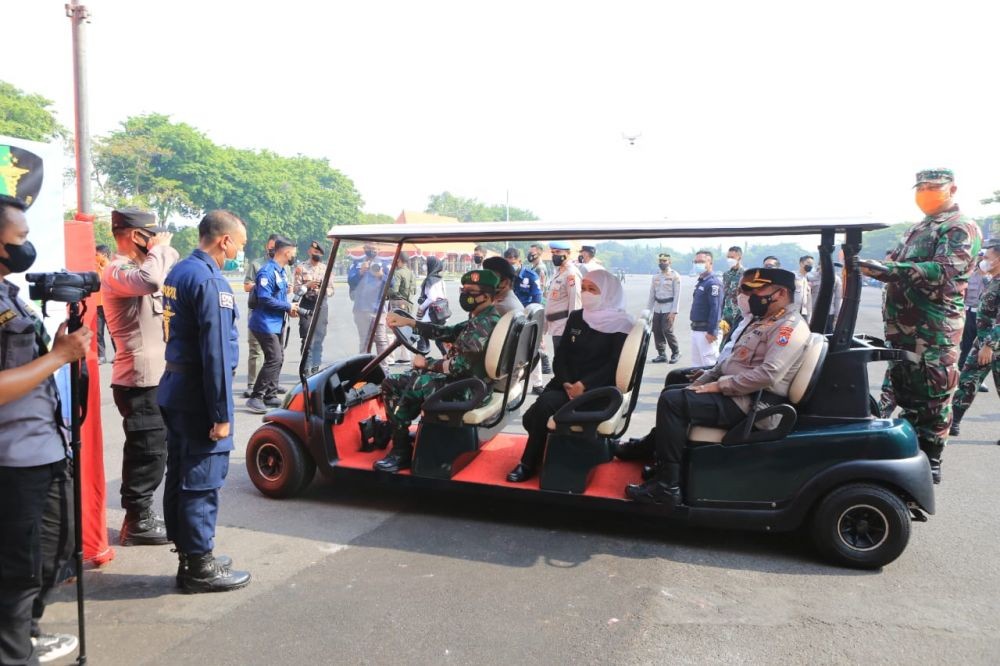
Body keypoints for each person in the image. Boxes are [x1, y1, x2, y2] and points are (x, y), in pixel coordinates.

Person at [626, 268, 811, 505]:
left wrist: (720, 386)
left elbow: (768, 374)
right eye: (747, 290)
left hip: (755, 403)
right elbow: (729, 361)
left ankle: (667, 486)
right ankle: (660, 456)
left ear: (781, 293)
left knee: (672, 403)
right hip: (741, 392)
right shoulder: (765, 319)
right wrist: (704, 380)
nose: (749, 296)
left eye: (756, 291)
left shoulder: (788, 327)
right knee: (676, 383)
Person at [0, 194, 91, 664]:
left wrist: (55, 350)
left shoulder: (9, 294)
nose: (27, 247)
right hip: (12, 461)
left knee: (57, 550)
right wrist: (57, 358)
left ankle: (26, 636)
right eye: (20, 239)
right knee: (16, 572)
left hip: (46, 449)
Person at [861, 168, 982, 484]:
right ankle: (906, 453)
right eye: (921, 188)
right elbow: (896, 269)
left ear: (952, 189)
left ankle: (931, 458)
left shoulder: (960, 228)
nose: (925, 193)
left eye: (933, 187)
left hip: (934, 328)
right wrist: (876, 269)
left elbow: (943, 270)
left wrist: (892, 268)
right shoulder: (917, 229)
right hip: (903, 328)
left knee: (934, 394)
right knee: (904, 388)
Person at [159, 210, 251, 593]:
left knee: (181, 472)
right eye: (239, 246)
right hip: (200, 394)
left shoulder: (179, 271)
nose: (237, 254)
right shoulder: (212, 281)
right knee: (201, 480)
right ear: (224, 240)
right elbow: (215, 351)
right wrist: (221, 413)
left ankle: (190, 554)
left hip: (176, 386)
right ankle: (199, 567)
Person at [102, 207, 180, 546]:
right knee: (146, 451)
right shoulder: (117, 270)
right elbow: (151, 281)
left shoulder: (144, 265)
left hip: (155, 377)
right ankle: (136, 519)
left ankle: (142, 512)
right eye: (153, 235)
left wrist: (162, 251)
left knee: (156, 449)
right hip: (137, 378)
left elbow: (164, 274)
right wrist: (161, 249)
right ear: (137, 236)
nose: (158, 241)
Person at [507, 270, 632, 482]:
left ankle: (528, 463)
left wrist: (584, 385)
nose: (586, 293)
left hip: (598, 390)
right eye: (584, 288)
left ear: (609, 293)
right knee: (531, 418)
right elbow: (561, 354)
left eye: (593, 289)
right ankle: (558, 451)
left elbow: (615, 365)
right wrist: (566, 381)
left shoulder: (623, 324)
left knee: (544, 406)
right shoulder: (576, 317)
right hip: (565, 384)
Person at [373, 270, 502, 473]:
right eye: (463, 289)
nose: (464, 294)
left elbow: (458, 366)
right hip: (472, 383)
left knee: (393, 383)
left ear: (486, 296)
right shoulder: (485, 318)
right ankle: (407, 426)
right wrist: (411, 323)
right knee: (412, 379)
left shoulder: (483, 325)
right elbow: (448, 332)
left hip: (467, 389)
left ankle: (400, 450)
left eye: (471, 291)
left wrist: (427, 363)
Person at [949, 240, 999, 437]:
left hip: (993, 344)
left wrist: (989, 345)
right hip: (983, 341)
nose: (983, 261)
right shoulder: (993, 281)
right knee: (967, 381)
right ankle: (953, 423)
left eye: (987, 258)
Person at [246, 236, 299, 414]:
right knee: (274, 358)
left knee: (279, 357)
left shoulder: (282, 271)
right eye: (293, 252)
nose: (294, 256)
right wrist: (287, 306)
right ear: (286, 252)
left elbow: (279, 297)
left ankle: (270, 394)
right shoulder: (267, 271)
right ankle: (256, 397)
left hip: (277, 322)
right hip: (264, 323)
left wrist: (289, 309)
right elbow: (264, 298)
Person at [242, 234, 279, 398]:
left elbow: (290, 287)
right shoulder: (256, 264)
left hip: (275, 313)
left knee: (274, 352)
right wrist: (263, 283)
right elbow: (246, 286)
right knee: (255, 349)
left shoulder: (282, 266)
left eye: (276, 247)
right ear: (267, 246)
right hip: (258, 311)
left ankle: (271, 385)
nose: (273, 250)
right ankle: (252, 384)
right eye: (271, 247)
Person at [348, 242, 390, 374]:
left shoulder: (384, 264)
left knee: (381, 340)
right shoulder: (356, 263)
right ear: (364, 249)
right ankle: (364, 369)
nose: (371, 250)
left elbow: (392, 283)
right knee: (364, 341)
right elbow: (351, 281)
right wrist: (361, 272)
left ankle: (384, 369)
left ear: (378, 249)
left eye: (374, 248)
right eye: (368, 248)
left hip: (378, 309)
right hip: (361, 309)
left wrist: (381, 276)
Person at [293, 240, 333, 374]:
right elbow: (295, 289)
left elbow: (331, 290)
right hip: (306, 304)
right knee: (306, 337)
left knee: (319, 337)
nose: (317, 254)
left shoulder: (326, 268)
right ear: (309, 252)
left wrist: (322, 289)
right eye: (315, 251)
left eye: (319, 253)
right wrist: (307, 286)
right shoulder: (301, 267)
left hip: (321, 304)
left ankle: (316, 368)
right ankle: (305, 368)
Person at [543, 241, 582, 355]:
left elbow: (575, 302)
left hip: (564, 327)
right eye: (553, 252)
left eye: (558, 252)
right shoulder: (559, 272)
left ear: (568, 253)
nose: (555, 255)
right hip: (556, 326)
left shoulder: (571, 274)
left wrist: (573, 329)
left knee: (563, 363)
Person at [689, 250, 723, 366]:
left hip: (706, 332)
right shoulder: (702, 282)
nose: (698, 264)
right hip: (697, 329)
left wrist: (712, 331)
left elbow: (716, 308)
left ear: (710, 263)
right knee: (696, 365)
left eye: (702, 261)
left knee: (709, 364)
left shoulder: (713, 283)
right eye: (696, 262)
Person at [647, 253, 681, 364]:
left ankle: (676, 352)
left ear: (669, 262)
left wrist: (674, 311)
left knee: (667, 331)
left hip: (669, 307)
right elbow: (652, 294)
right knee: (656, 330)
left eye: (664, 261)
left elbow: (677, 294)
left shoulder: (675, 275)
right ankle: (661, 354)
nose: (662, 263)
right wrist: (648, 311)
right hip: (657, 307)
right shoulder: (655, 276)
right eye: (660, 261)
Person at [959, 253, 988, 369]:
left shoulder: (991, 277)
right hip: (968, 312)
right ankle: (962, 367)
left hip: (984, 315)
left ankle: (974, 371)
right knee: (967, 343)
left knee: (981, 344)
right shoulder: (969, 274)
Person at [387, 252, 416, 364]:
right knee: (404, 329)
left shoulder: (397, 273)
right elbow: (414, 290)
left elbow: (394, 290)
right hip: (408, 304)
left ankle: (390, 358)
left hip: (397, 304)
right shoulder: (411, 273)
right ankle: (406, 356)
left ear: (399, 260)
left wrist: (385, 291)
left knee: (390, 331)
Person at [416, 256, 449, 355]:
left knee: (421, 335)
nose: (424, 266)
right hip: (441, 314)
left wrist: (421, 308)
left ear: (431, 266)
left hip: (430, 315)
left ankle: (420, 361)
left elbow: (432, 298)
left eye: (426, 264)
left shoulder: (430, 279)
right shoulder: (440, 280)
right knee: (439, 339)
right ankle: (448, 358)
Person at [720, 246, 744, 344]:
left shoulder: (745, 274)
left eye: (732, 257)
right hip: (726, 316)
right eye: (728, 257)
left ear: (739, 258)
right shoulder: (726, 275)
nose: (729, 260)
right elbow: (723, 295)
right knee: (723, 344)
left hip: (740, 315)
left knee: (737, 343)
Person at [95, 244, 114, 364]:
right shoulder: (94, 268)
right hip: (97, 305)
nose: (94, 257)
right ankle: (101, 356)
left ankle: (119, 354)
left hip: (111, 305)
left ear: (104, 255)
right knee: (98, 332)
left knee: (114, 331)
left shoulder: (113, 268)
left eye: (97, 255)